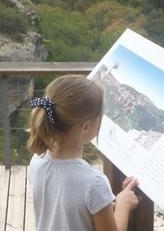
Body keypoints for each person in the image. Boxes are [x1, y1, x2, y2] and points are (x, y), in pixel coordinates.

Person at [27, 75, 141, 231]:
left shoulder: (37, 161)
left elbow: (70, 205)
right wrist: (123, 205)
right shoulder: (94, 183)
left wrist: (107, 204)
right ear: (85, 127)